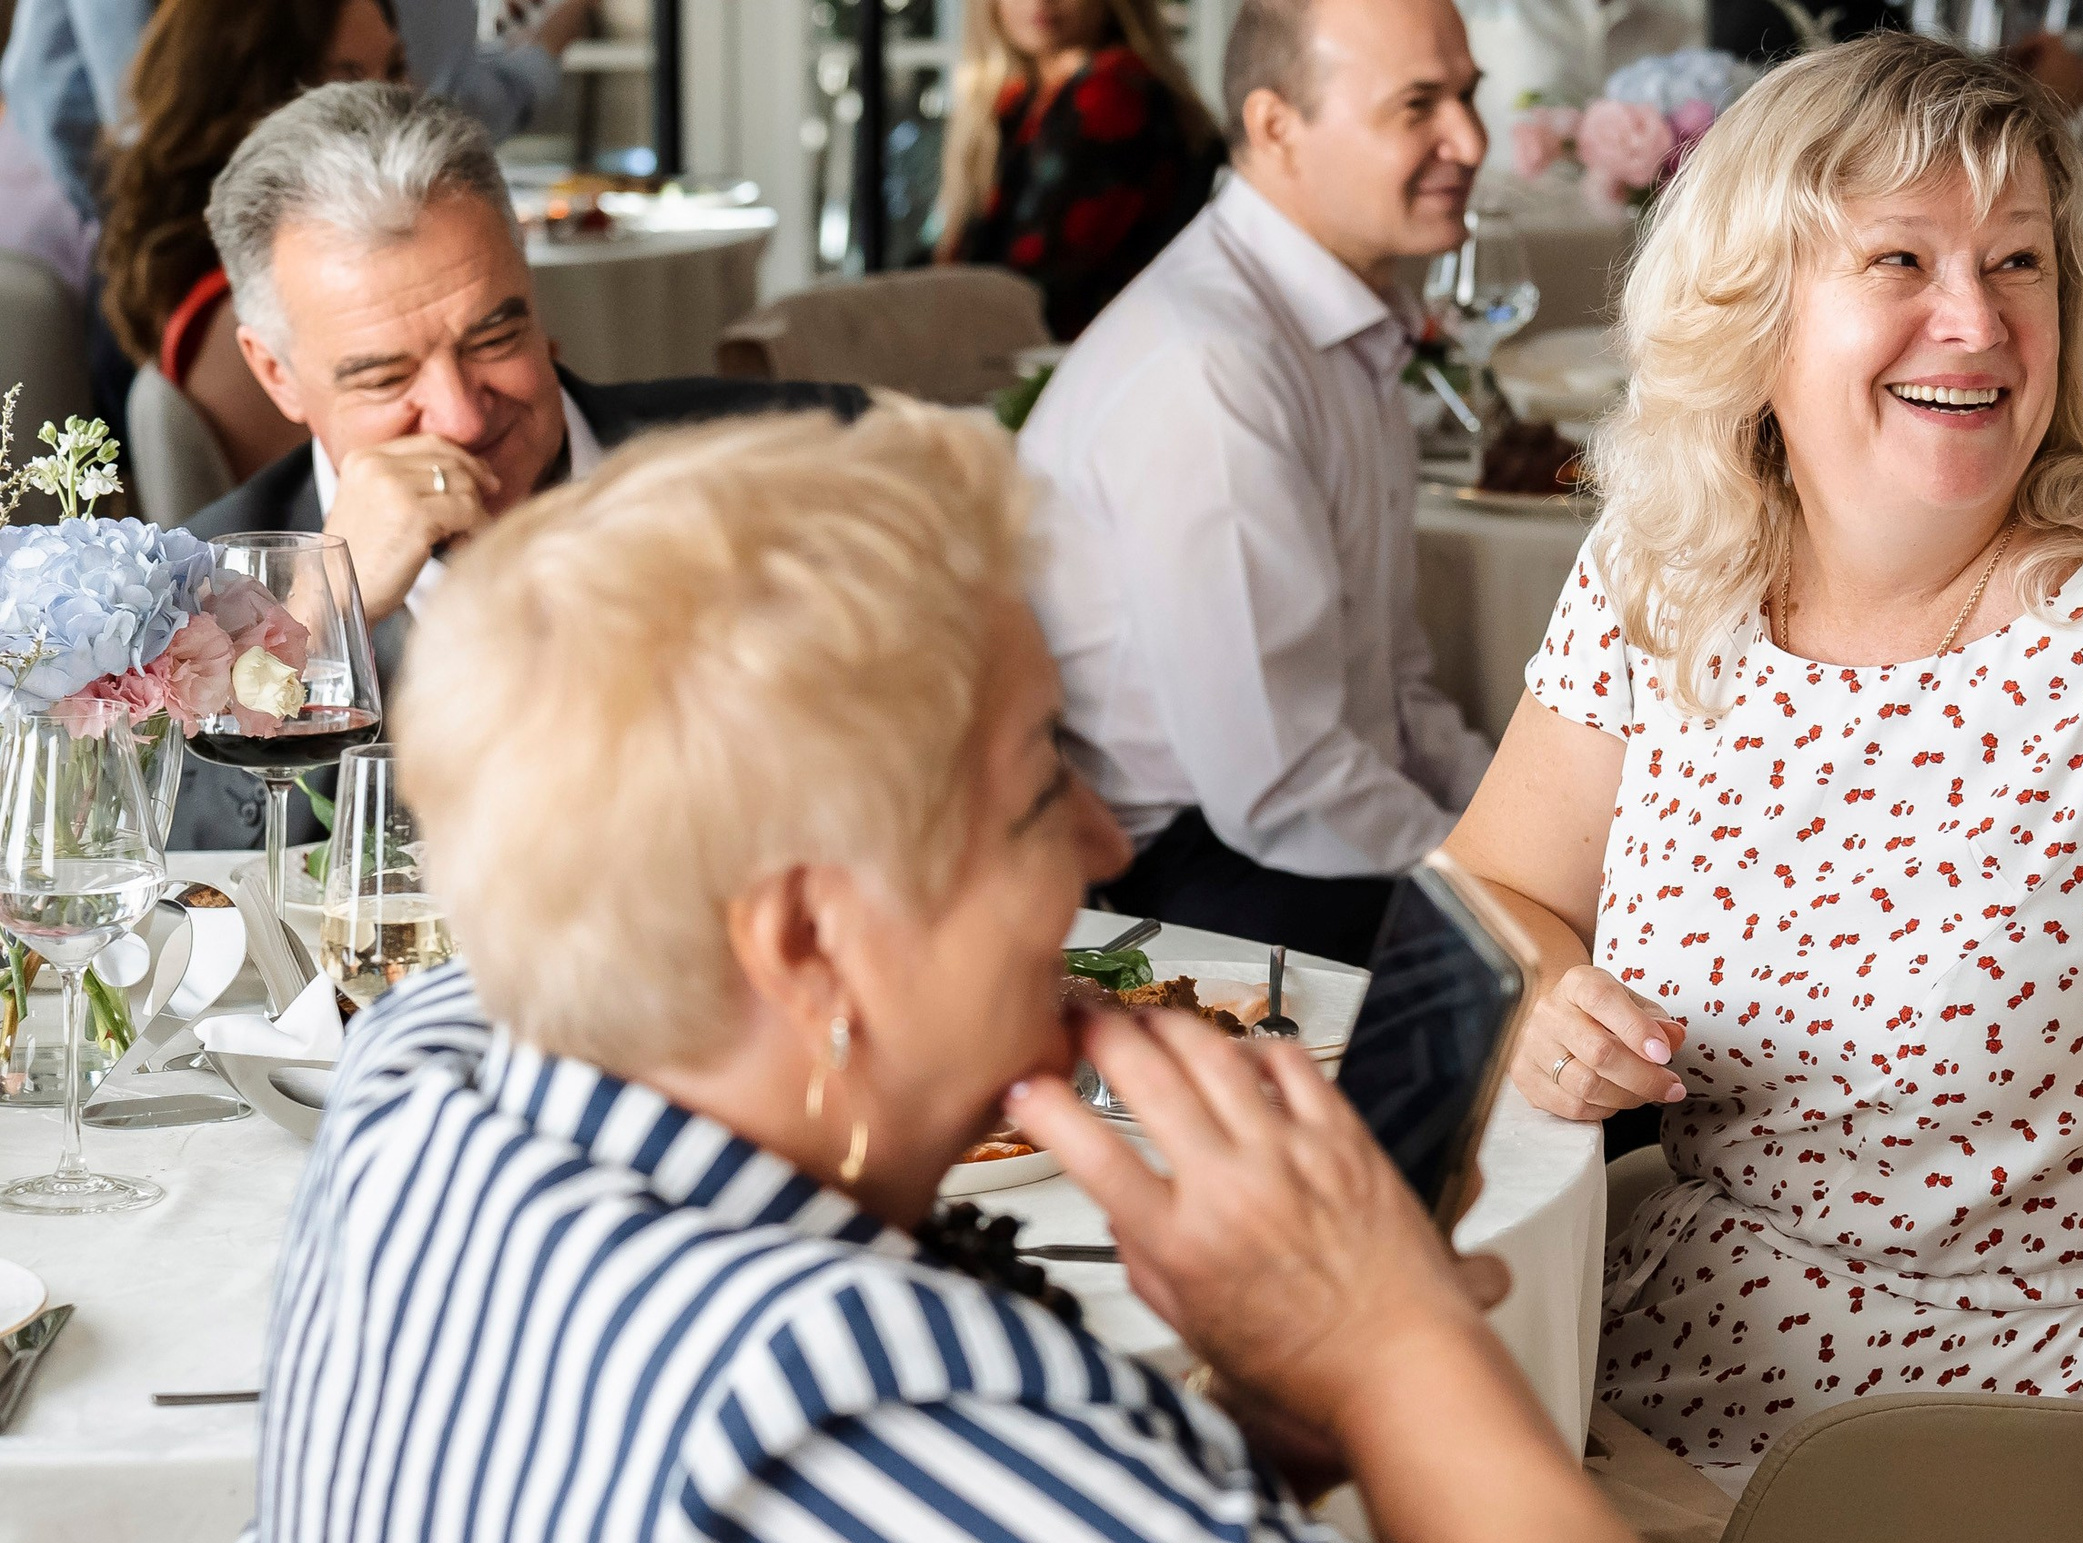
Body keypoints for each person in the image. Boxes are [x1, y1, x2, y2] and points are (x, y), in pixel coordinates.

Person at [225, 402, 1748, 1543]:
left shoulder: (424, 1082)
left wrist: (1276, 1406)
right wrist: (1390, 1337)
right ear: (810, 941)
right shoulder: (841, 1421)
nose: (1105, 841)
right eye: (1040, 789)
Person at [1444, 34, 2083, 1543]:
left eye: (2021, 264)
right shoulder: (1662, 582)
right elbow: (1494, 886)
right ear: (1756, 310)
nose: (1978, 322)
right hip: (1655, 1353)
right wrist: (1549, 988)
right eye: (1900, 259)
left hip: (2031, 1437)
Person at [174, 82, 868, 851]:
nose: (465, 416)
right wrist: (320, 620)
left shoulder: (811, 452)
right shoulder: (188, 602)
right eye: (386, 377)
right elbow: (170, 877)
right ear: (275, 373)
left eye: (493, 338)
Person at [1018, 0, 1495, 966]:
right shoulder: (1214, 366)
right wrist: (1499, 883)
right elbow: (1280, 785)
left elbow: (1395, 687)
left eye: (1468, 97)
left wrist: (1523, 829)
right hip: (1182, 882)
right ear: (1278, 126)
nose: (1471, 141)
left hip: (1302, 826)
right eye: (1419, 105)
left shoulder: (1339, 320)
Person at [95, 0, 407, 487]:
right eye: (348, 79)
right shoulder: (252, 311)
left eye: (395, 70)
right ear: (254, 96)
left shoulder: (215, 278)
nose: (390, 102)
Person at [1, 0, 597, 222]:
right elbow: (439, 104)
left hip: (184, 239)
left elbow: (55, 91)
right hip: (205, 249)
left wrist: (134, 227)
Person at [933, 0, 1223, 339]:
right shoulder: (1017, 97)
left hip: (1070, 358)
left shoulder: (1111, 90)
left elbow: (1036, 285)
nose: (1039, 2)